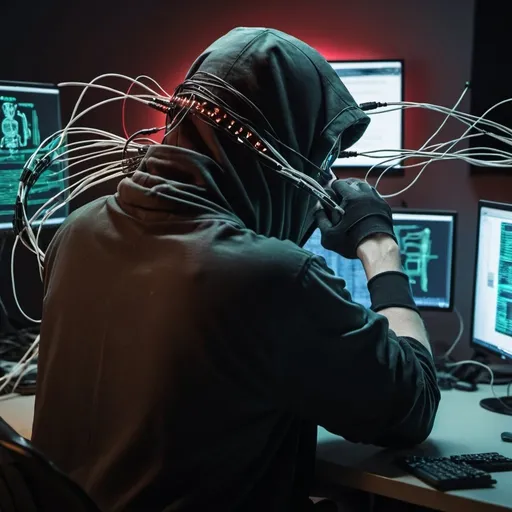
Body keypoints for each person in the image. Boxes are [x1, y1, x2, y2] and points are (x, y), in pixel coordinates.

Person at [31, 27, 440, 512]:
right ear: (282, 156)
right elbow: (412, 405)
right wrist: (378, 243)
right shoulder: (273, 279)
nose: (319, 178)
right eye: (318, 157)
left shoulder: (77, 232)